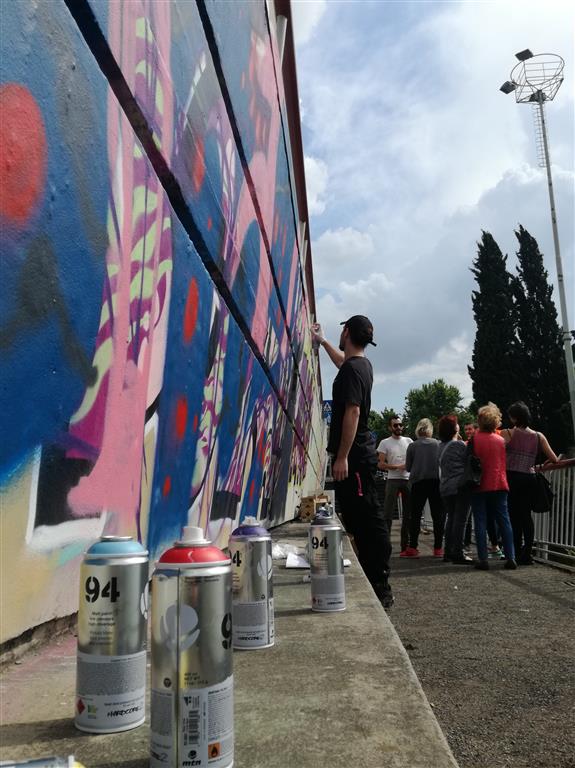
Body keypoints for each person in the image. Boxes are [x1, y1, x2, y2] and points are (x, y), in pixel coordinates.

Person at [312, 316, 393, 608]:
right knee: (360, 517)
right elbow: (342, 363)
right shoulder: (360, 366)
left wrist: (343, 456)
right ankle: (377, 580)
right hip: (359, 457)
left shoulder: (352, 370)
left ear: (346, 332)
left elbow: (353, 411)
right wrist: (322, 342)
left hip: (355, 458)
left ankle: (380, 585)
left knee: (366, 519)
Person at [501, 401, 558, 565]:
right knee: (526, 516)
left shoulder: (507, 433)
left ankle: (516, 552)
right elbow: (554, 458)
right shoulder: (539, 436)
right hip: (529, 478)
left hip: (512, 478)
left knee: (513, 516)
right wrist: (543, 464)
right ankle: (527, 554)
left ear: (514, 417)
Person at [470, 402, 516, 571]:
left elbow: (467, 461)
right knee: (504, 520)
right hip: (500, 483)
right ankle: (511, 557)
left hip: (479, 485)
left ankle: (483, 559)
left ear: (480, 421)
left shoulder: (474, 440)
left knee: (480, 521)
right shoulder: (501, 440)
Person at [405, 418, 444, 557]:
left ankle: (413, 547)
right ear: (430, 429)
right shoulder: (438, 444)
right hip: (435, 482)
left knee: (415, 515)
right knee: (438, 516)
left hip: (418, 482)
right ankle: (438, 548)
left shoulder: (412, 446)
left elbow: (408, 467)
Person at [437, 415, 473, 564]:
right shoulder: (459, 445)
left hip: (445, 487)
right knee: (460, 521)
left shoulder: (440, 446)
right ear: (454, 428)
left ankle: (448, 552)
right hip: (459, 486)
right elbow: (469, 460)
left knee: (451, 518)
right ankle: (458, 552)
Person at [377, 416, 412, 556]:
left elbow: (414, 459)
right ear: (390, 427)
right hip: (392, 480)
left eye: (400, 425)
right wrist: (397, 467)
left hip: (407, 479)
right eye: (395, 425)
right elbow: (380, 464)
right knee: (388, 514)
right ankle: (385, 545)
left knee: (408, 514)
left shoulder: (409, 441)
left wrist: (407, 466)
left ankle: (405, 546)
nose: (398, 427)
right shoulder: (385, 442)